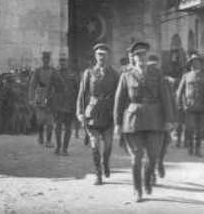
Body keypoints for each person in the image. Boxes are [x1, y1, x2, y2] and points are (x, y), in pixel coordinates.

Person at [114, 42, 174, 202]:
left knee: (153, 157)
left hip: (155, 120)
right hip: (133, 121)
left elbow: (165, 97)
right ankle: (137, 189)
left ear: (147, 57)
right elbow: (119, 102)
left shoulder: (157, 74)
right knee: (136, 157)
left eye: (144, 55)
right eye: (138, 55)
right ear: (133, 58)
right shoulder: (126, 76)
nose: (141, 58)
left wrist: (169, 120)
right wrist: (117, 124)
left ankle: (147, 180)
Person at [78, 44, 120, 184]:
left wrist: (119, 113)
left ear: (108, 56)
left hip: (108, 113)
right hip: (93, 113)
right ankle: (98, 173)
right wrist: (80, 112)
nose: (102, 57)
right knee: (95, 146)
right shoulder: (89, 73)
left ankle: (105, 163)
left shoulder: (114, 74)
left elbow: (119, 95)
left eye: (104, 54)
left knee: (108, 146)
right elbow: (82, 94)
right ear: (95, 56)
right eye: (99, 54)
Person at [176, 55, 204, 157]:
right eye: (193, 62)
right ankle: (190, 146)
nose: (195, 64)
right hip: (189, 106)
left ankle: (198, 148)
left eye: (197, 62)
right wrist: (180, 104)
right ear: (190, 65)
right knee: (190, 127)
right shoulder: (186, 76)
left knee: (200, 129)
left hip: (202, 107)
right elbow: (180, 92)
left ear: (201, 65)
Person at [28, 51, 58, 148]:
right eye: (44, 59)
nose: (46, 61)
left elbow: (58, 84)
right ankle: (40, 136)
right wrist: (31, 99)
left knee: (50, 122)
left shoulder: (54, 71)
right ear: (42, 60)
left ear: (50, 60)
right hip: (40, 96)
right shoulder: (38, 71)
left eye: (48, 59)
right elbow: (32, 85)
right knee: (40, 120)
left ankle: (48, 140)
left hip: (51, 97)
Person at [52, 53, 78, 156]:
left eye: (64, 61)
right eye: (61, 61)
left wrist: (77, 104)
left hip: (69, 104)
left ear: (67, 62)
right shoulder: (55, 74)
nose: (63, 63)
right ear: (59, 62)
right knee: (57, 127)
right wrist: (47, 103)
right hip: (58, 105)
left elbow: (78, 89)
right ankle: (58, 146)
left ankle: (65, 148)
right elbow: (49, 88)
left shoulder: (72, 74)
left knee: (68, 127)